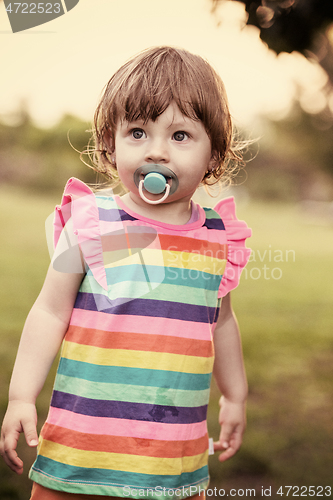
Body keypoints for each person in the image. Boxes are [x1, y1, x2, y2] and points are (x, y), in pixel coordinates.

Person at [0, 46, 251, 500]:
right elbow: (50, 312)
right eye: (138, 132)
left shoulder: (218, 238)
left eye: (180, 135)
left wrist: (234, 395)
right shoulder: (94, 224)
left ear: (214, 155)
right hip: (80, 454)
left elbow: (222, 322)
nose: (156, 151)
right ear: (109, 145)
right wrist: (21, 396)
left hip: (173, 461)